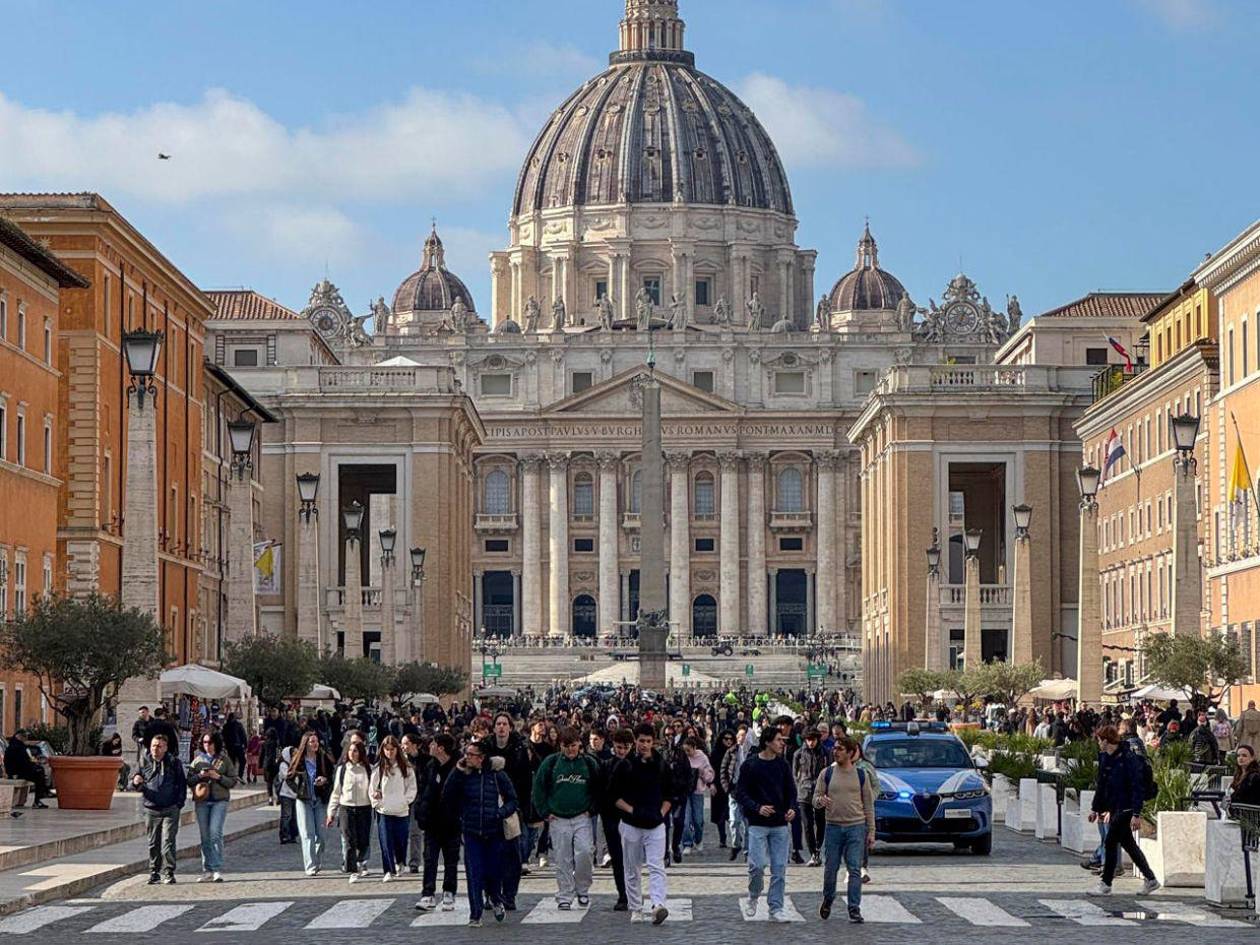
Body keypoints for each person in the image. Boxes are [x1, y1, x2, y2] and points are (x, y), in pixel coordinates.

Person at [442, 739, 517, 927]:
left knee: (493, 872)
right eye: (465, 753)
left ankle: (496, 899)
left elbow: (512, 800)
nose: (467, 757)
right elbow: (447, 794)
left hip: (494, 832)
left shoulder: (497, 775)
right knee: (474, 873)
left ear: (481, 758)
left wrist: (500, 814)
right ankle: (475, 914)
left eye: (471, 754)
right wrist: (457, 770)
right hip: (471, 831)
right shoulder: (464, 775)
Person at [608, 723, 672, 925]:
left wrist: (660, 813)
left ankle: (658, 904)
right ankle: (635, 907)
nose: (644, 745)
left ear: (654, 742)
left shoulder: (661, 764)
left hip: (655, 823)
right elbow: (613, 796)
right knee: (631, 868)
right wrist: (632, 811)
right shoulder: (624, 765)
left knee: (656, 866)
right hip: (630, 823)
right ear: (635, 741)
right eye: (641, 740)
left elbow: (670, 794)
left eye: (648, 741)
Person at [1087, 725, 1160, 897]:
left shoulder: (1128, 759)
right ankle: (1150, 879)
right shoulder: (1106, 758)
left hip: (1126, 807)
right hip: (1115, 807)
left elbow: (1137, 787)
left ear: (1106, 741)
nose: (1098, 743)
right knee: (1129, 844)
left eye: (1099, 740)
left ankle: (1106, 884)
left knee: (1111, 841)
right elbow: (1102, 786)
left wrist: (1136, 813)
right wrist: (1096, 809)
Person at [533, 727, 600, 910]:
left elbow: (599, 787)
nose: (570, 749)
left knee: (585, 852)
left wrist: (592, 809)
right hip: (558, 818)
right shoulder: (551, 763)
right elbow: (538, 788)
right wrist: (545, 812)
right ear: (560, 746)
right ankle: (564, 894)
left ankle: (583, 889)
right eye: (566, 746)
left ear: (579, 744)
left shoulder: (589, 763)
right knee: (562, 858)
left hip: (582, 816)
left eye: (573, 745)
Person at [735, 726, 797, 922]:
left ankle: (775, 908)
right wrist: (756, 807)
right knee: (757, 866)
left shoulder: (783, 765)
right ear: (768, 742)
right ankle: (753, 895)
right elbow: (740, 793)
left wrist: (792, 808)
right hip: (757, 823)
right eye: (779, 740)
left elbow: (791, 791)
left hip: (779, 824)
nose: (782, 743)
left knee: (779, 868)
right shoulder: (750, 765)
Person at [814, 736, 875, 923]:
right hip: (833, 827)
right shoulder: (827, 773)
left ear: (850, 752)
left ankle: (854, 908)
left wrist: (871, 830)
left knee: (854, 870)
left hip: (856, 827)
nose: (836, 751)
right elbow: (815, 797)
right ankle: (828, 898)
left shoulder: (861, 775)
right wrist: (820, 801)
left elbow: (868, 804)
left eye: (840, 749)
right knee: (831, 868)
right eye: (835, 748)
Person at [132, 734, 187, 885]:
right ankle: (154, 871)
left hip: (170, 808)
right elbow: (135, 781)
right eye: (153, 746)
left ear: (165, 748)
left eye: (159, 746)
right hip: (151, 808)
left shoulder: (174, 763)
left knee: (168, 841)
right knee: (153, 842)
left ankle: (169, 871)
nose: (156, 749)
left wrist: (179, 803)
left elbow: (182, 784)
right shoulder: (144, 761)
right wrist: (136, 781)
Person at [415, 733, 461, 911]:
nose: (430, 746)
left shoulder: (458, 768)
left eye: (433, 743)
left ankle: (449, 892)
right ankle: (428, 894)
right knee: (429, 859)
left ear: (441, 748)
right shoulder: (430, 766)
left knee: (451, 860)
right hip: (432, 821)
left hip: (451, 822)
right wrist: (421, 812)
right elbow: (423, 790)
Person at [187, 731, 238, 883]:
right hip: (202, 801)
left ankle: (216, 868)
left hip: (219, 800)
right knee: (205, 836)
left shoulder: (224, 760)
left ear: (216, 743)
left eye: (210, 742)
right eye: (204, 742)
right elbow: (189, 780)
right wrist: (200, 776)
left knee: (215, 832)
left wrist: (219, 777)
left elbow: (233, 781)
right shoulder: (197, 761)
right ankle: (207, 869)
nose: (207, 745)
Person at [285, 731, 335, 876]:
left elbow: (332, 776)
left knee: (321, 834)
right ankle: (310, 865)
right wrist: (298, 791)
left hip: (319, 799)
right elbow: (288, 778)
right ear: (306, 744)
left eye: (316, 741)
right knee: (308, 833)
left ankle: (317, 860)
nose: (315, 744)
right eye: (312, 742)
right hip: (304, 800)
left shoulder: (323, 758)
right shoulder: (299, 759)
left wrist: (324, 780)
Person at [596, 728, 633, 911]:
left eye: (625, 747)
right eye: (619, 747)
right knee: (618, 859)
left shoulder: (636, 764)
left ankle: (632, 893)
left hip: (632, 818)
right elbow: (602, 792)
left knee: (632, 859)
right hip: (611, 818)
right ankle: (623, 895)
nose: (622, 751)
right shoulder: (607, 765)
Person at [371, 735, 416, 881]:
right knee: (386, 841)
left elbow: (412, 788)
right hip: (384, 810)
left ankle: (400, 860)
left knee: (401, 840)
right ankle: (388, 870)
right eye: (386, 749)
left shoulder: (406, 767)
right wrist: (377, 803)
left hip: (401, 810)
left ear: (397, 749)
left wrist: (405, 801)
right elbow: (372, 788)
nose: (389, 752)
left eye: (392, 749)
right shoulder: (379, 768)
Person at [328, 740, 374, 882]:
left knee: (363, 840)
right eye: (350, 750)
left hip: (364, 808)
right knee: (349, 840)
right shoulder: (342, 769)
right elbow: (336, 792)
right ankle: (352, 870)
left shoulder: (368, 769)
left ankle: (361, 862)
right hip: (346, 807)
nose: (352, 753)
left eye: (355, 751)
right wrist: (331, 813)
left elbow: (374, 789)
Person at [793, 729, 827, 866]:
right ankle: (813, 852)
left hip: (820, 792)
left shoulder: (825, 752)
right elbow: (794, 774)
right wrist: (798, 788)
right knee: (807, 824)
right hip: (804, 792)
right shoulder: (799, 753)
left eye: (813, 739)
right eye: (808, 739)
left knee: (820, 822)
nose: (811, 742)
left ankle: (818, 848)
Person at [721, 725, 750, 860]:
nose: (740, 738)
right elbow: (723, 769)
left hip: (749, 792)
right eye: (738, 736)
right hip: (734, 790)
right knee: (733, 821)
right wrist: (727, 787)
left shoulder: (753, 752)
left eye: (743, 735)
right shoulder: (731, 751)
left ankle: (747, 851)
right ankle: (736, 844)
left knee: (747, 823)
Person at [680, 737, 714, 853]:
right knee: (685, 819)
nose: (687, 753)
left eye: (688, 750)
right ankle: (687, 843)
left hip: (697, 791)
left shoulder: (702, 757)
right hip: (684, 791)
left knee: (698, 819)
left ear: (694, 748)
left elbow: (710, 775)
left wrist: (701, 773)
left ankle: (698, 839)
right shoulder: (681, 758)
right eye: (684, 750)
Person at [4, 730, 50, 807]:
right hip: (16, 773)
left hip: (17, 771)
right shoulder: (16, 747)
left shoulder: (17, 745)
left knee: (39, 770)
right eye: (25, 736)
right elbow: (22, 762)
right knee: (39, 774)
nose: (26, 738)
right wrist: (33, 764)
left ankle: (41, 796)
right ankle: (38, 799)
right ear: (19, 736)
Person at [401, 733, 425, 873]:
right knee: (401, 831)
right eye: (402, 743)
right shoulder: (399, 760)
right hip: (401, 799)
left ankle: (414, 862)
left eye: (406, 743)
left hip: (417, 799)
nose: (403, 746)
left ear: (415, 745)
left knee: (415, 832)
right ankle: (400, 860)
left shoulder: (423, 760)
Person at [710, 730, 734, 850]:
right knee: (720, 815)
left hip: (732, 787)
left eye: (731, 739)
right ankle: (722, 838)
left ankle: (736, 838)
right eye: (726, 739)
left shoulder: (736, 752)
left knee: (733, 815)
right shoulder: (715, 753)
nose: (729, 741)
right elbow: (711, 770)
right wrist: (712, 784)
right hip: (718, 787)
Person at [276, 746, 299, 844]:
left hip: (295, 794)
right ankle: (284, 835)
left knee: (294, 816)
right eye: (293, 753)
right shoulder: (283, 764)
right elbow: (286, 775)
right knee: (287, 815)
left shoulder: (296, 764)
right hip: (286, 794)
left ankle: (293, 835)